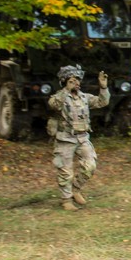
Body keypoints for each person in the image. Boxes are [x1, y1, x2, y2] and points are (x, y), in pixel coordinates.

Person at [48, 65, 110, 211]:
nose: (76, 83)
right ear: (65, 81)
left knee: (90, 165)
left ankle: (76, 189)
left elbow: (103, 102)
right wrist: (66, 91)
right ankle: (66, 200)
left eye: (77, 80)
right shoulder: (59, 97)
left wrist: (103, 87)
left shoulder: (84, 97)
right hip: (65, 139)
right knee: (65, 171)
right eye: (72, 80)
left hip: (82, 138)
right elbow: (53, 105)